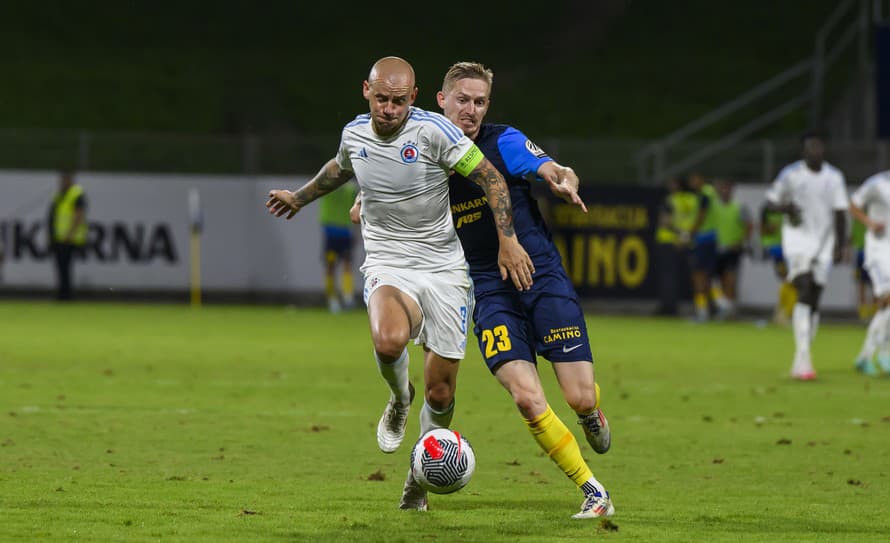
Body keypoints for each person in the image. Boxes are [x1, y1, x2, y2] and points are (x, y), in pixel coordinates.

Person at [265, 57, 535, 510]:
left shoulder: (435, 132)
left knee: (442, 391)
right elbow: (340, 167)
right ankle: (398, 397)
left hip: (445, 270)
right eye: (381, 99)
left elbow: (490, 178)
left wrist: (507, 240)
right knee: (389, 341)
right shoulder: (355, 133)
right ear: (366, 92)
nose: (389, 109)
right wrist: (299, 196)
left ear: (413, 98)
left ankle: (419, 477)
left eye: (398, 101)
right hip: (389, 262)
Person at [423, 60, 615, 519]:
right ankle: (593, 492)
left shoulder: (502, 140)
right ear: (441, 101)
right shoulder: (424, 152)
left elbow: (549, 166)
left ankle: (591, 413)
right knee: (527, 398)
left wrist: (563, 177)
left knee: (579, 397)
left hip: (539, 274)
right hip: (486, 288)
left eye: (480, 102)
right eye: (463, 100)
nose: (471, 110)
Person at [764, 131, 847, 380]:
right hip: (797, 240)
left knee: (815, 299)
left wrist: (840, 245)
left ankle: (801, 358)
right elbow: (769, 203)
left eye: (819, 146)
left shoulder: (834, 177)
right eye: (811, 147)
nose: (815, 151)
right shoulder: (791, 175)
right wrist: (786, 207)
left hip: (824, 242)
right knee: (805, 288)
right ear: (803, 151)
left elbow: (840, 212)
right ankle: (804, 359)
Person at [849, 169, 890, 375]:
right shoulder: (877, 183)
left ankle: (880, 354)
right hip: (878, 251)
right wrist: (870, 223)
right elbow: (853, 205)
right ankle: (871, 355)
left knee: (886, 307)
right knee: (888, 301)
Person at [654, 176, 697, 316]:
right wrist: (685, 236)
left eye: (672, 183)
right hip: (687, 241)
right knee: (693, 276)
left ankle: (668, 308)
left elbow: (665, 222)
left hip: (668, 240)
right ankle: (700, 307)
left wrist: (677, 234)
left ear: (677, 185)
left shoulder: (671, 200)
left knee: (668, 276)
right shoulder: (693, 200)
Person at [711, 178, 753, 319]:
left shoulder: (739, 207)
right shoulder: (714, 207)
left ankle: (728, 311)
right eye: (722, 188)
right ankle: (723, 307)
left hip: (732, 249)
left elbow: (749, 226)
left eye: (727, 188)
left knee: (729, 279)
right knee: (716, 281)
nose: (725, 191)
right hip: (715, 249)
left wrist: (741, 242)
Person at [318, 179, 359, 313]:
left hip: (339, 233)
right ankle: (340, 298)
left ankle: (340, 298)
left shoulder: (329, 186)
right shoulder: (349, 188)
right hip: (338, 232)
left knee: (335, 266)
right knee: (338, 266)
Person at [47, 170, 88, 301]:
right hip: (58, 237)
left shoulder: (77, 194)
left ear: (70, 180)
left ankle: (66, 295)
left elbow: (79, 215)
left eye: (64, 179)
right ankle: (62, 293)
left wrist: (70, 234)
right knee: (60, 267)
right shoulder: (59, 194)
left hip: (69, 238)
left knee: (65, 267)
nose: (62, 182)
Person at [688, 173, 718, 322]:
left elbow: (701, 215)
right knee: (705, 277)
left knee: (698, 276)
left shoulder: (705, 194)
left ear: (701, 179)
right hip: (710, 239)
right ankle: (711, 309)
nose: (692, 182)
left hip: (703, 239)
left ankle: (702, 311)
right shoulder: (709, 193)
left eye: (694, 179)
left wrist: (690, 233)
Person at [759, 203, 796, 325]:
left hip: (790, 248)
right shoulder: (767, 208)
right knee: (787, 278)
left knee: (789, 279)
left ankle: (784, 312)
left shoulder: (790, 207)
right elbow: (762, 229)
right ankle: (785, 313)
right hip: (777, 249)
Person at [850, 217, 875, 323]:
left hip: (873, 252)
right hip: (862, 252)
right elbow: (852, 237)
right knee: (862, 284)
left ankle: (874, 312)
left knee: (874, 284)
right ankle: (865, 313)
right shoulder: (858, 219)